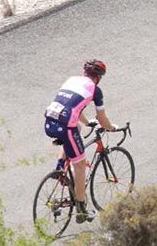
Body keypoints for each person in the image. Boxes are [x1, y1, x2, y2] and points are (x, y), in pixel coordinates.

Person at [43, 59, 116, 223]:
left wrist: (87, 123)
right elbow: (102, 119)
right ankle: (81, 210)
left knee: (77, 126)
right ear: (98, 77)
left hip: (49, 122)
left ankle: (60, 167)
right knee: (80, 164)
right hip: (64, 127)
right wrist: (111, 128)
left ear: (84, 73)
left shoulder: (72, 80)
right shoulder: (95, 90)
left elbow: (72, 107)